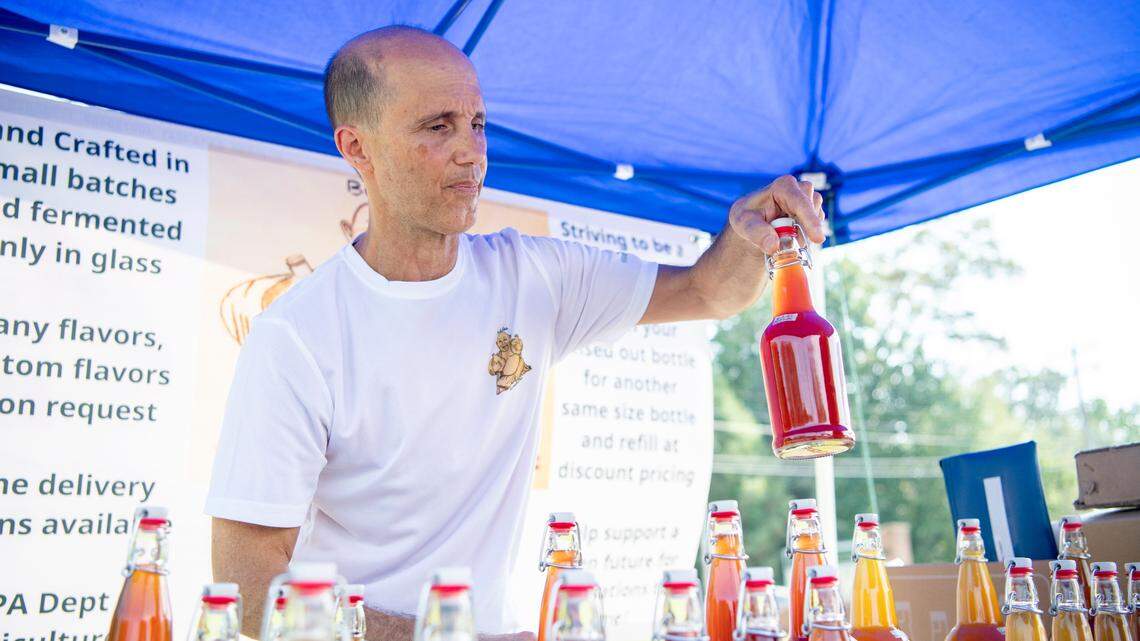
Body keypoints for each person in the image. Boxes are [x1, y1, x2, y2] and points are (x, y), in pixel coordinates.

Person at [207, 25, 825, 641]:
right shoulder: (296, 335)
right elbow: (250, 588)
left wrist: (749, 237)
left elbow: (706, 291)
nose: (471, 151)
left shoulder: (532, 275)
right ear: (356, 147)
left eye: (477, 123)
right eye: (437, 126)